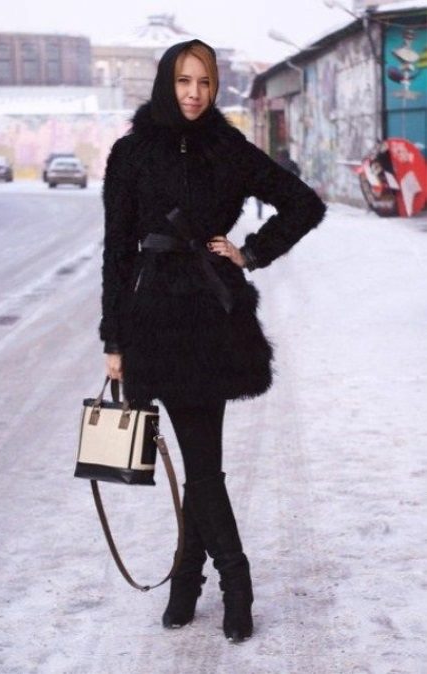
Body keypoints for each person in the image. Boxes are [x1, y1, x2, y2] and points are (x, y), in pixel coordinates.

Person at [100, 39, 326, 643]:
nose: (195, 93)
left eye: (204, 82)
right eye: (184, 81)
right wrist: (113, 338)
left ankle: (222, 581)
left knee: (202, 460)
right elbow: (116, 251)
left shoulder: (228, 148)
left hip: (212, 315)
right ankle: (202, 581)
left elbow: (303, 204)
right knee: (203, 462)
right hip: (155, 320)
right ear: (164, 84)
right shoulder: (130, 154)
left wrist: (250, 252)